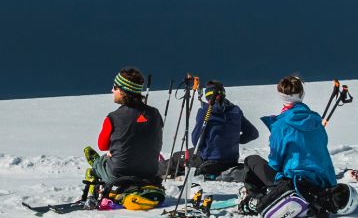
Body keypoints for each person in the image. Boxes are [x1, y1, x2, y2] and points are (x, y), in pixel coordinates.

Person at [241, 75, 342, 218]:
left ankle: (255, 199)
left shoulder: (280, 125)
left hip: (296, 183)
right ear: (302, 94)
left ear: (281, 97)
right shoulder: (316, 121)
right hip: (324, 182)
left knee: (251, 160)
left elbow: (275, 161)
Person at [83, 68, 164, 202]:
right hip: (150, 172)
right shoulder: (155, 114)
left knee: (99, 163)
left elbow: (102, 145)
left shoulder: (113, 118)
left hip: (119, 174)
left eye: (115, 87)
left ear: (124, 91)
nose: (112, 90)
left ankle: (96, 171)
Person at [184, 80, 259, 177]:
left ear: (208, 96)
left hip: (210, 161)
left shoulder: (205, 111)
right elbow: (253, 133)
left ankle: (159, 173)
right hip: (231, 161)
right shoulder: (236, 110)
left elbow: (196, 141)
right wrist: (234, 140)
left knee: (177, 158)